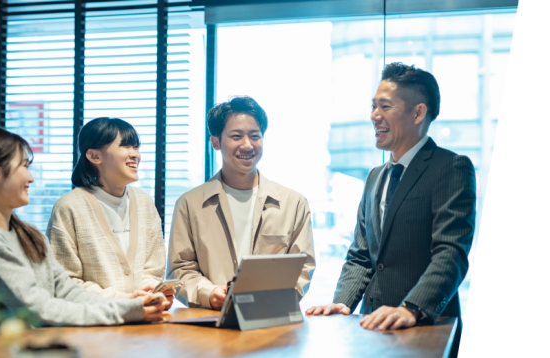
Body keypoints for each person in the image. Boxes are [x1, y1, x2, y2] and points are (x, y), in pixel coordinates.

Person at [305, 63, 475, 358]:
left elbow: (451, 253)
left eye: (385, 106)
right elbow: (361, 255)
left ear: (418, 113)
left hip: (424, 329)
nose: (374, 116)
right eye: (373, 106)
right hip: (371, 329)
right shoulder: (375, 177)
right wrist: (343, 303)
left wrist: (413, 309)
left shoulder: (450, 167)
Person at [0, 126, 170, 344]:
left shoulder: (29, 235)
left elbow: (66, 290)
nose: (31, 178)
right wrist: (127, 310)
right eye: (24, 166)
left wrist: (129, 303)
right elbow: (38, 307)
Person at [166, 96, 316, 309]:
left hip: (271, 320)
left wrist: (271, 300)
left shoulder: (294, 204)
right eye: (236, 136)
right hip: (210, 321)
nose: (247, 145)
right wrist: (209, 293)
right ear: (216, 142)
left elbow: (302, 267)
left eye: (255, 136)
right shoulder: (189, 204)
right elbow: (179, 269)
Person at [47, 118, 174, 304]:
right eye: (125, 146)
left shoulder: (144, 202)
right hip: (94, 322)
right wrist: (125, 300)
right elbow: (65, 281)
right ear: (94, 156)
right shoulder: (69, 207)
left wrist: (151, 291)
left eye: (136, 147)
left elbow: (153, 269)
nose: (135, 155)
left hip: (145, 317)